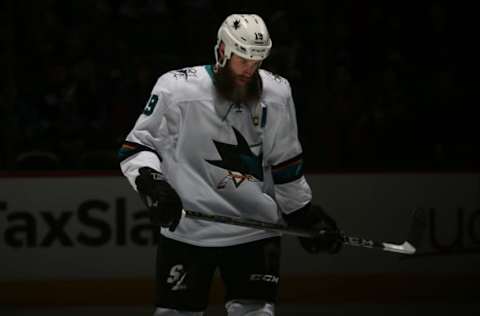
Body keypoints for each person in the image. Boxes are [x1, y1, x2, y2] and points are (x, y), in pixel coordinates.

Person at [119, 13, 343, 316]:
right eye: (243, 59)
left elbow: (285, 163)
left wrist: (304, 214)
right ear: (223, 51)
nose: (249, 69)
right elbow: (138, 147)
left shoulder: (277, 94)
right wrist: (153, 184)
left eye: (257, 60)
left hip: (257, 230)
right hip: (188, 232)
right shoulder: (176, 89)